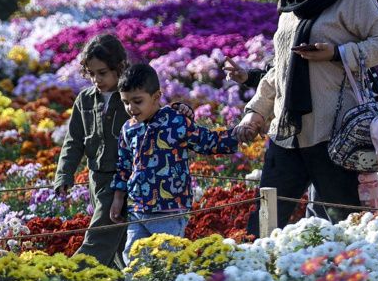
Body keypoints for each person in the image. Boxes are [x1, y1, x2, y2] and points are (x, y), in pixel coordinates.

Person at [234, 0, 378, 235]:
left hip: (334, 138)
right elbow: (280, 70)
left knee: (347, 229)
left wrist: (338, 53)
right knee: (263, 226)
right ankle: (257, 269)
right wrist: (255, 113)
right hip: (287, 135)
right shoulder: (290, 9)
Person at [109, 63, 240, 261]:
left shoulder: (175, 121)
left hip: (170, 208)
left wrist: (238, 135)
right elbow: (124, 165)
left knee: (169, 259)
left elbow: (205, 141)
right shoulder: (129, 128)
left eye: (137, 101)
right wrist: (118, 198)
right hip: (137, 208)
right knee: (134, 259)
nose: (131, 108)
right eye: (126, 102)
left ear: (156, 97)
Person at [54, 33, 131, 267]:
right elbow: (73, 141)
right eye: (91, 74)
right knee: (118, 241)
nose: (97, 79)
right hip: (95, 178)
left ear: (120, 67)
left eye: (102, 73)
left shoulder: (131, 98)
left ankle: (73, 275)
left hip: (123, 179)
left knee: (99, 235)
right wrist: (64, 174)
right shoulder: (85, 99)